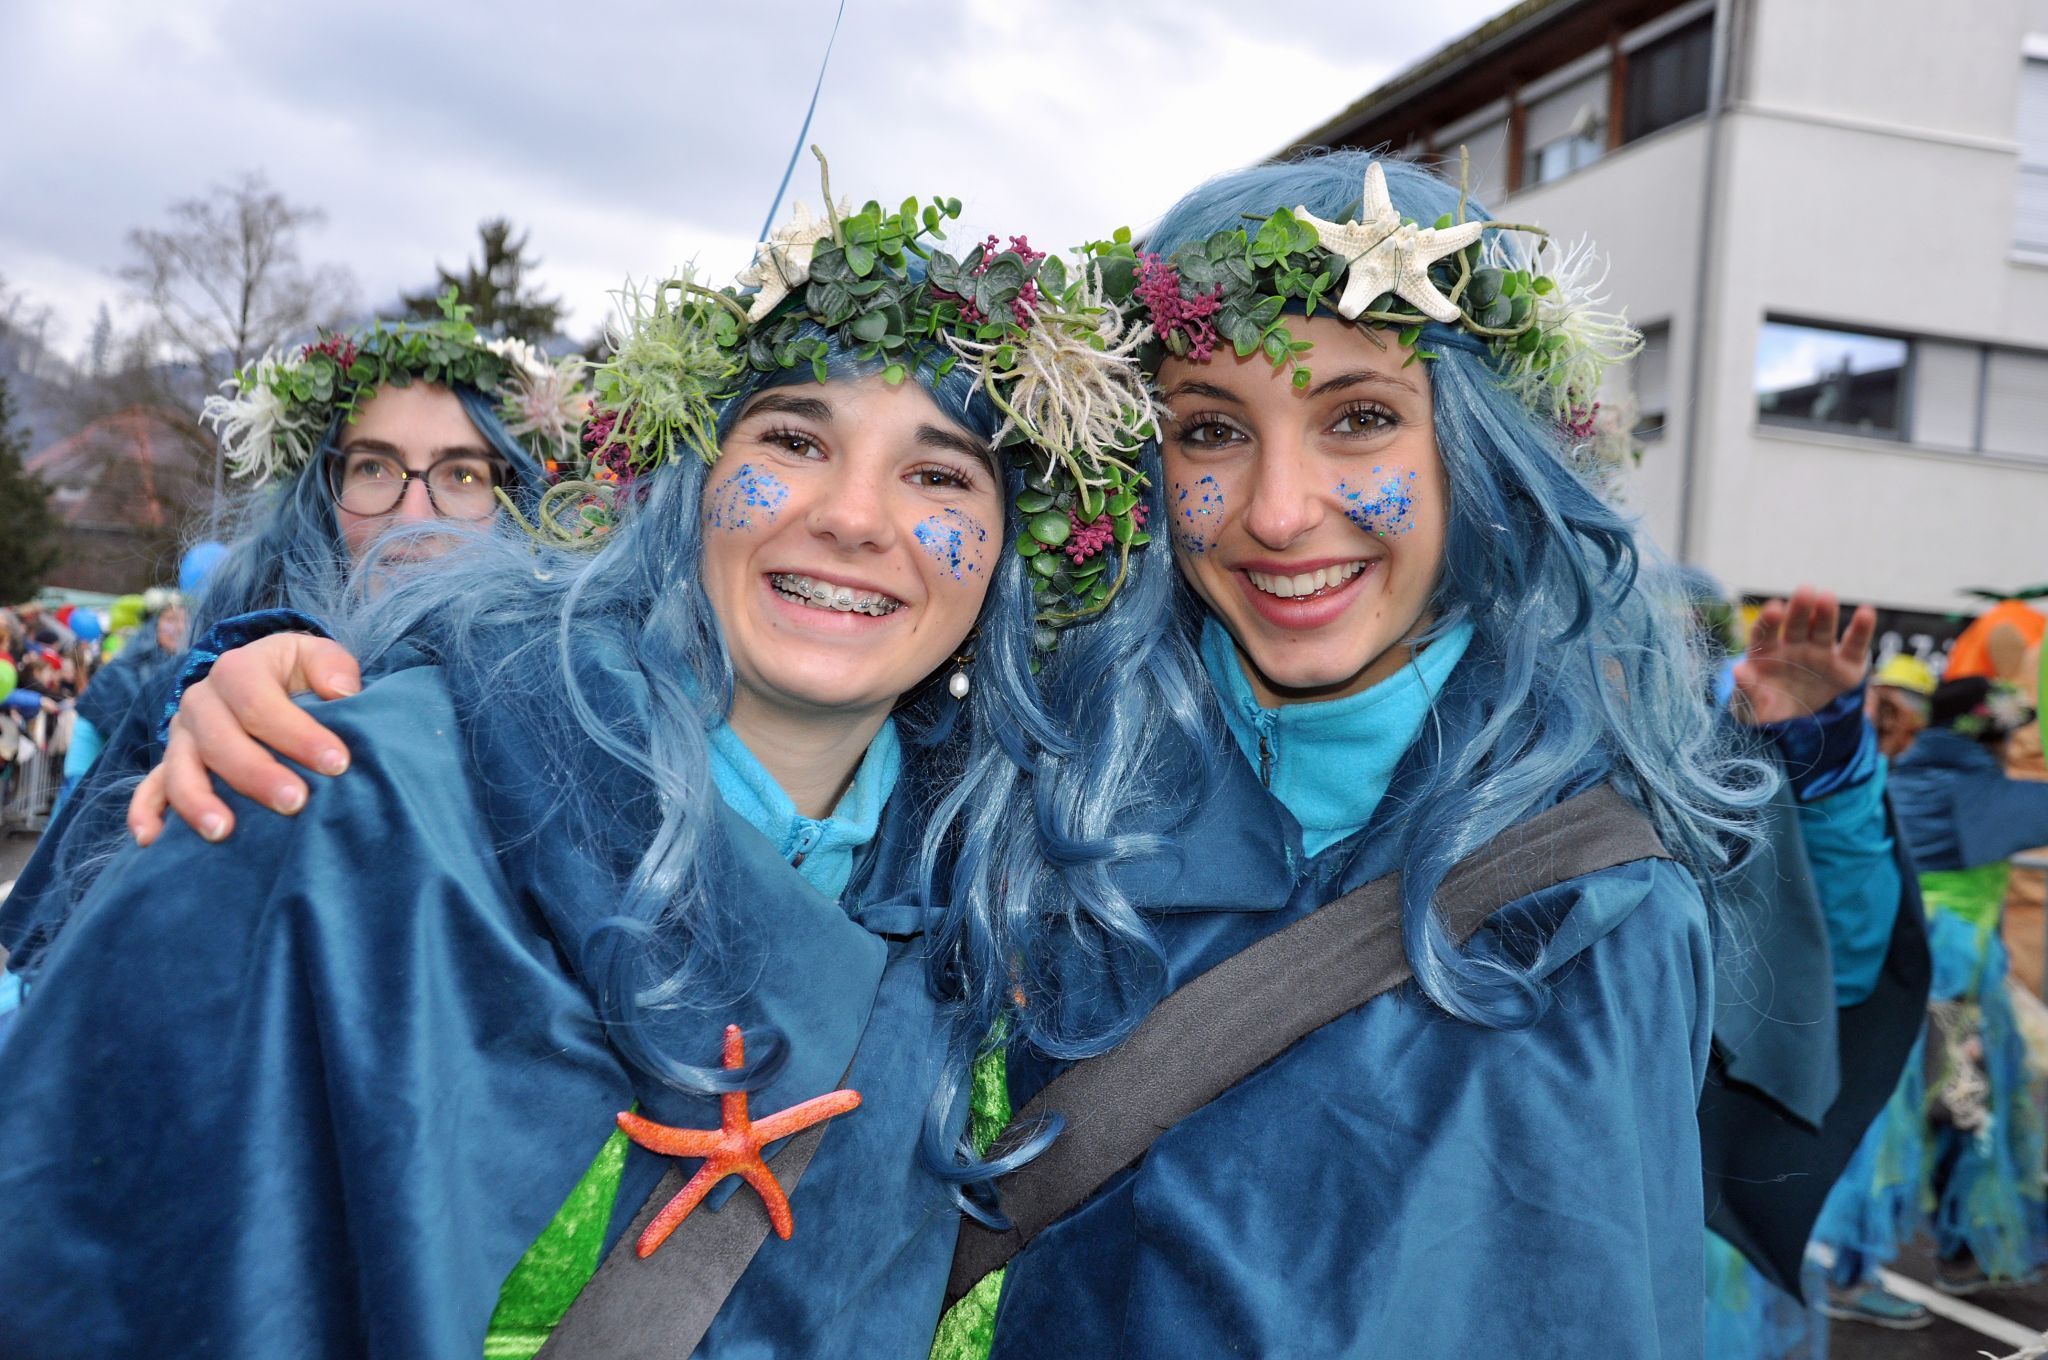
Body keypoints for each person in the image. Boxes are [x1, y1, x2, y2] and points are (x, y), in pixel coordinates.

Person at [0, 183, 1197, 1359]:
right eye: (791, 439)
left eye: (939, 474)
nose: (853, 517)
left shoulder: (998, 919)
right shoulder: (358, 801)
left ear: (1011, 559)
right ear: (688, 485)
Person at [0, 299, 586, 997]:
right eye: (375, 468)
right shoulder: (203, 683)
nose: (411, 515)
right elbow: (54, 965)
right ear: (325, 492)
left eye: (463, 475)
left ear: (518, 502)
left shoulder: (585, 710)